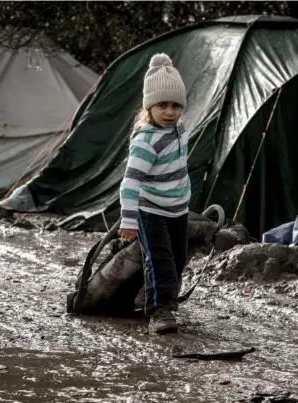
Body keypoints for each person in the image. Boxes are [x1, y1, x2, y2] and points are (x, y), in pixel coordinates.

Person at [118, 53, 190, 334]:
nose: (170, 112)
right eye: (162, 105)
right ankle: (159, 311)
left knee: (178, 259)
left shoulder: (179, 129)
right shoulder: (147, 141)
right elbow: (130, 182)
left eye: (175, 105)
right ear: (149, 107)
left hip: (178, 208)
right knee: (159, 259)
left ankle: (153, 295)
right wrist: (128, 219)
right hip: (151, 211)